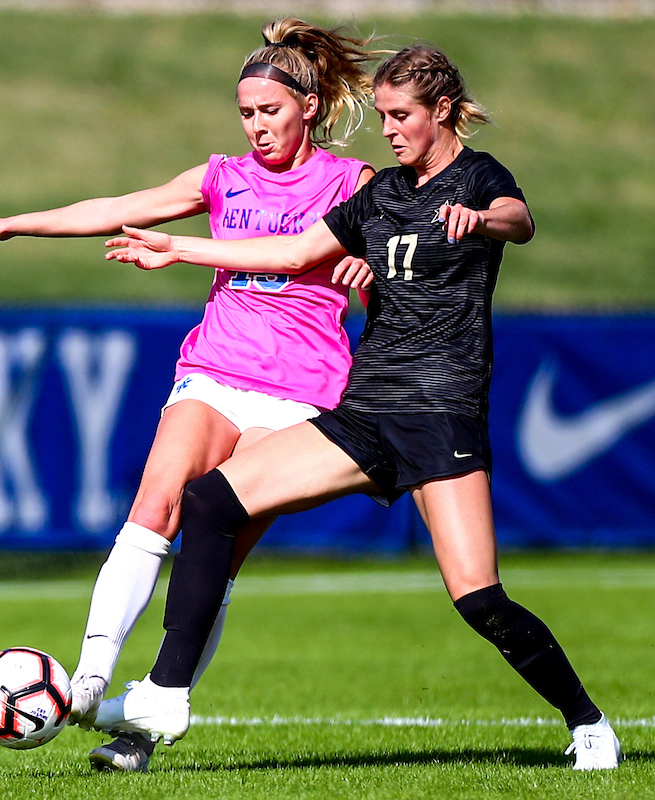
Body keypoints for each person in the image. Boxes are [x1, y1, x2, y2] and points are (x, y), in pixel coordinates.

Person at [98, 44, 622, 772]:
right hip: (365, 413)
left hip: (439, 417)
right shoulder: (381, 195)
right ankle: (164, 694)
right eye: (382, 115)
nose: (390, 129)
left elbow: (519, 219)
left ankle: (588, 724)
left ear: (442, 110)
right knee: (210, 501)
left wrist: (481, 220)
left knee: (478, 599)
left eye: (402, 115)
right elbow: (290, 255)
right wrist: (179, 249)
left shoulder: (478, 177)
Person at [0, 19, 380, 772]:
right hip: (216, 370)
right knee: (156, 504)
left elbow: (400, 277)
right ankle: (87, 683)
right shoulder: (223, 176)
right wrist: (16, 224)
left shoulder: (353, 184)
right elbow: (118, 206)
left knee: (217, 558)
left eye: (269, 111)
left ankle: (141, 731)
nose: (256, 126)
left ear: (309, 107)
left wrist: (373, 275)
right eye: (245, 112)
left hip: (302, 392)